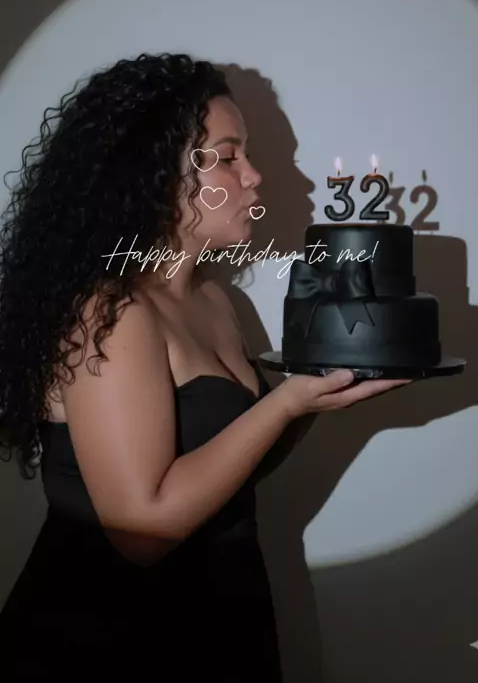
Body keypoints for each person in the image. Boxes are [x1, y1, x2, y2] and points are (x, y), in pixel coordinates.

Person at [0, 53, 410, 680]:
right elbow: (141, 531)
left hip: (221, 614)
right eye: (227, 156)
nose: (255, 175)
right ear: (154, 173)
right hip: (111, 638)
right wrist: (286, 402)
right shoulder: (112, 312)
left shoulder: (215, 300)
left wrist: (322, 391)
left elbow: (233, 463)